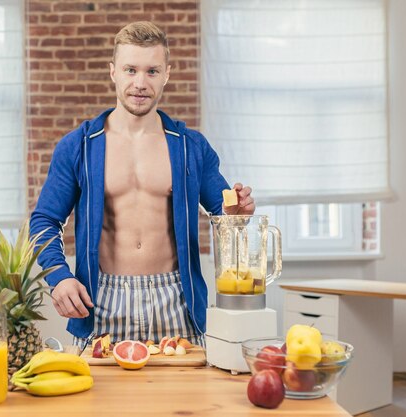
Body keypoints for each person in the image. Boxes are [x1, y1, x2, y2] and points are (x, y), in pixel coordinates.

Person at [29, 21, 255, 347]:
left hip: (177, 300)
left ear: (166, 74)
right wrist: (59, 276)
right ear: (113, 72)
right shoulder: (78, 145)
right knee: (95, 399)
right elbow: (45, 220)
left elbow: (226, 212)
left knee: (186, 399)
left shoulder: (192, 146)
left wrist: (240, 209)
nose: (140, 83)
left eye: (152, 71)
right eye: (130, 69)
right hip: (102, 299)